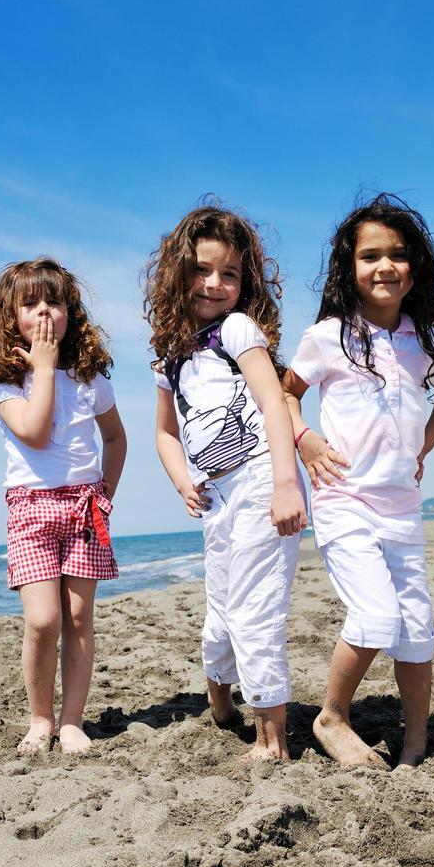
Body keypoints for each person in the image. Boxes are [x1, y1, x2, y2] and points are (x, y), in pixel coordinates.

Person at [284, 194, 434, 768]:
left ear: (416, 267)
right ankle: (331, 716)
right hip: (344, 502)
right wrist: (304, 437)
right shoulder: (328, 336)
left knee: (416, 628)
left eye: (397, 255)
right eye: (370, 256)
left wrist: (421, 447)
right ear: (350, 268)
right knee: (375, 616)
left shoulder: (425, 340)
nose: (384, 266)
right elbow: (285, 395)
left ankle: (415, 745)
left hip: (402, 506)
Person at [148, 203, 308, 762]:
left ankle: (272, 739)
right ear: (177, 273)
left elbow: (273, 402)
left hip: (265, 477)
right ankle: (221, 703)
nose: (215, 284)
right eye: (202, 269)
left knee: (256, 607)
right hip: (217, 493)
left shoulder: (236, 329)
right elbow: (165, 433)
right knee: (221, 608)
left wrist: (287, 483)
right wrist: (181, 481)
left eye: (230, 274)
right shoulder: (170, 355)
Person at [0, 258, 127, 755]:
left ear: (71, 312)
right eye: (30, 303)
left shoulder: (90, 380)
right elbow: (35, 434)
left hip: (84, 508)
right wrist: (40, 369)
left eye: (54, 301)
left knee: (80, 618)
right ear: (10, 317)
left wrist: (104, 494)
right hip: (31, 508)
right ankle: (40, 719)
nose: (44, 312)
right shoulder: (5, 383)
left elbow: (116, 438)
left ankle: (72, 721)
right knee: (44, 621)